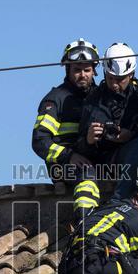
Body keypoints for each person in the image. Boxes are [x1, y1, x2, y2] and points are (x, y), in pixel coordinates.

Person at [72, 42, 138, 211]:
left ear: (131, 74)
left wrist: (130, 134)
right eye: (110, 78)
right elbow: (81, 148)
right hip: (107, 160)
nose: (114, 84)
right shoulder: (93, 99)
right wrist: (89, 140)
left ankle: (119, 199)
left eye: (120, 79)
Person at [31, 39, 101, 216]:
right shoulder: (55, 99)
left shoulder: (102, 96)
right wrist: (68, 156)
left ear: (94, 71)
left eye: (87, 70)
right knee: (88, 175)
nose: (82, 75)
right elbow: (40, 140)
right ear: (67, 69)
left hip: (96, 158)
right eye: (77, 70)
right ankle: (85, 224)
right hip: (63, 165)